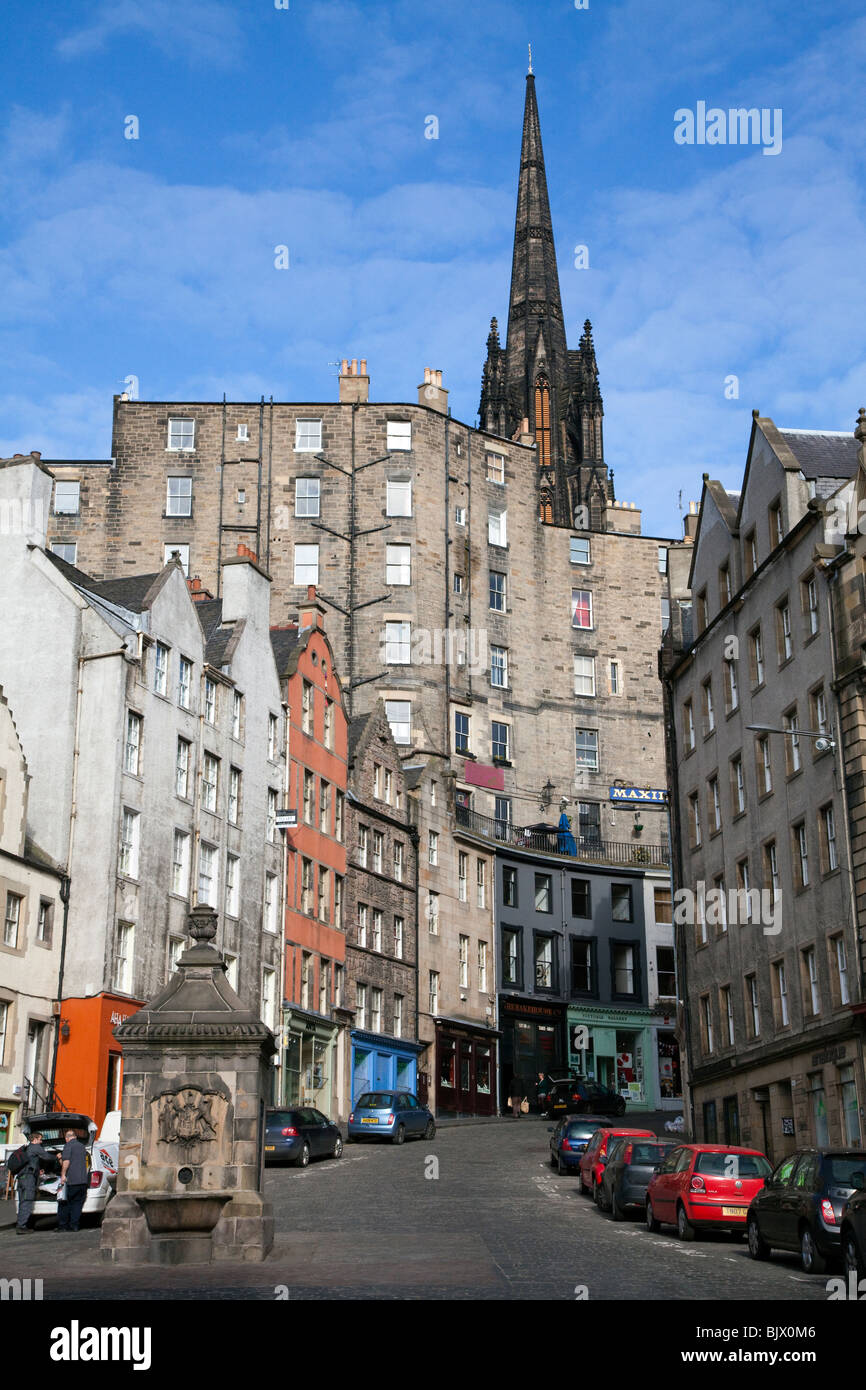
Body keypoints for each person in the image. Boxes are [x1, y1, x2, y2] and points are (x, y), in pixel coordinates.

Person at [15, 1130, 52, 1234]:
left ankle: (21, 1224)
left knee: (22, 1202)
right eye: (40, 1139)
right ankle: (21, 1226)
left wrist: (37, 1170)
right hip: (28, 1179)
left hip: (22, 1178)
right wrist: (58, 1157)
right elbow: (47, 1156)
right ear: (35, 1139)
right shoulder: (35, 1147)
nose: (41, 1141)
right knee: (27, 1202)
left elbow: (31, 1163)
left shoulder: (28, 1148)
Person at [57, 1127, 89, 1232]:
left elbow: (66, 1162)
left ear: (67, 1138)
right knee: (77, 1204)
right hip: (83, 1181)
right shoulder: (82, 1146)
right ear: (75, 1137)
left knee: (64, 1203)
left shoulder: (68, 1146)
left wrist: (63, 1174)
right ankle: (74, 1225)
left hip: (72, 1181)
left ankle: (63, 1226)